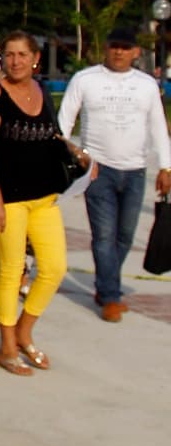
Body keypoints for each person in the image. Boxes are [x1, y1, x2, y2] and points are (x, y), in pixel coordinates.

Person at [59, 24, 171, 321]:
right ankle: (110, 295)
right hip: (99, 169)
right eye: (114, 46)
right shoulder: (86, 79)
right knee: (104, 235)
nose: (119, 52)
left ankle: (104, 283)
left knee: (124, 235)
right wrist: (69, 154)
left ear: (136, 52)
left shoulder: (146, 84)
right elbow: (65, 119)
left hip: (135, 170)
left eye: (125, 47)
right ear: (106, 48)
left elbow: (159, 126)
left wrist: (166, 166)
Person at [0, 31, 69, 376]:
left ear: (35, 59)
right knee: (12, 270)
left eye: (21, 54)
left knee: (54, 268)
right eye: (9, 55)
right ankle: (6, 346)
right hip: (8, 200)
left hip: (44, 198)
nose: (15, 61)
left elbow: (52, 135)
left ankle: (24, 331)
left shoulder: (42, 92)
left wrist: (77, 154)